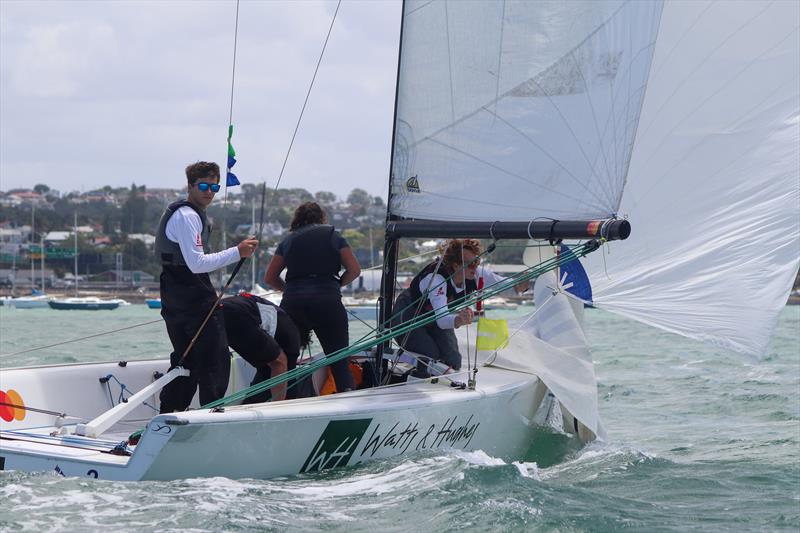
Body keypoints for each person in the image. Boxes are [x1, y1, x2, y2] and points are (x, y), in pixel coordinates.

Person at [154, 161, 259, 413]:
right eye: (203, 186)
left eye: (214, 187)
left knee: (187, 359)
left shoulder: (188, 214)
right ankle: (210, 416)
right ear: (190, 186)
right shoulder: (188, 216)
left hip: (176, 292)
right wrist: (238, 251)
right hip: (190, 293)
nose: (209, 192)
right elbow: (197, 264)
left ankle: (170, 416)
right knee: (215, 358)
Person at [391, 239, 527, 377]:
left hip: (433, 317)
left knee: (453, 360)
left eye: (477, 262)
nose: (475, 267)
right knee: (430, 358)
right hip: (408, 317)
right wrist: (458, 319)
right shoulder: (437, 280)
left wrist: (519, 285)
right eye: (470, 264)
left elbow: (501, 284)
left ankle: (442, 386)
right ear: (455, 266)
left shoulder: (474, 274)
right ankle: (412, 383)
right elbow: (442, 320)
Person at [264, 202, 361, 393]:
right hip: (327, 301)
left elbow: (269, 278)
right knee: (339, 360)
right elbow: (354, 270)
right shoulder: (333, 236)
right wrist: (336, 285)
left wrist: (288, 290)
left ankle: (282, 403)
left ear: (297, 220)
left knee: (287, 360)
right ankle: (347, 399)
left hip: (294, 303)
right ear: (322, 218)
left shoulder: (288, 240)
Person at [221, 292, 304, 403]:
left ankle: (277, 410)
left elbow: (280, 361)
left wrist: (277, 407)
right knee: (271, 380)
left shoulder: (289, 342)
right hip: (235, 312)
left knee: (280, 377)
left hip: (230, 311)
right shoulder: (290, 335)